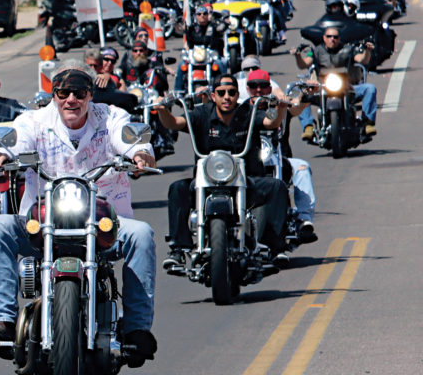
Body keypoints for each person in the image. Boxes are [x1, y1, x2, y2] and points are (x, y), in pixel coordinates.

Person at [0, 63, 159, 367]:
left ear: (90, 95)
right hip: (42, 221)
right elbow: (17, 138)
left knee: (141, 234)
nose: (70, 99)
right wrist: (1, 155)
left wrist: (139, 155)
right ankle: (3, 320)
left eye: (79, 92)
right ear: (54, 94)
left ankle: (136, 327)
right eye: (63, 92)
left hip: (104, 220)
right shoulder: (35, 120)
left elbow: (129, 138)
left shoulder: (110, 116)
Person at [156, 74, 290, 267]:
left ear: (237, 95)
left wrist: (281, 108)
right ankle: (178, 249)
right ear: (213, 96)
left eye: (231, 92)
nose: (227, 97)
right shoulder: (202, 114)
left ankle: (275, 248)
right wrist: (162, 110)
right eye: (221, 93)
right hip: (207, 182)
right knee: (177, 189)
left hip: (246, 180)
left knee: (277, 187)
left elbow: (272, 123)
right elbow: (174, 123)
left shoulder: (248, 113)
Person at [244, 70, 318, 243]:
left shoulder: (280, 106)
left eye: (262, 86)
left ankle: (303, 219)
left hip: (280, 160)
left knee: (301, 167)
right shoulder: (241, 111)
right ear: (248, 89)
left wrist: (306, 96)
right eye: (254, 86)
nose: (258, 90)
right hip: (250, 164)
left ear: (269, 88)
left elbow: (297, 107)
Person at [295, 26, 378, 138]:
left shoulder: (348, 49)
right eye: (329, 36)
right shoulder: (316, 51)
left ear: (339, 39)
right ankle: (308, 126)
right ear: (324, 38)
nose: (332, 39)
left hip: (347, 87)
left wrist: (368, 51)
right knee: (303, 92)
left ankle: (367, 122)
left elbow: (362, 60)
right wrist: (297, 55)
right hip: (322, 87)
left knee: (370, 88)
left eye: (335, 37)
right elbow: (303, 64)